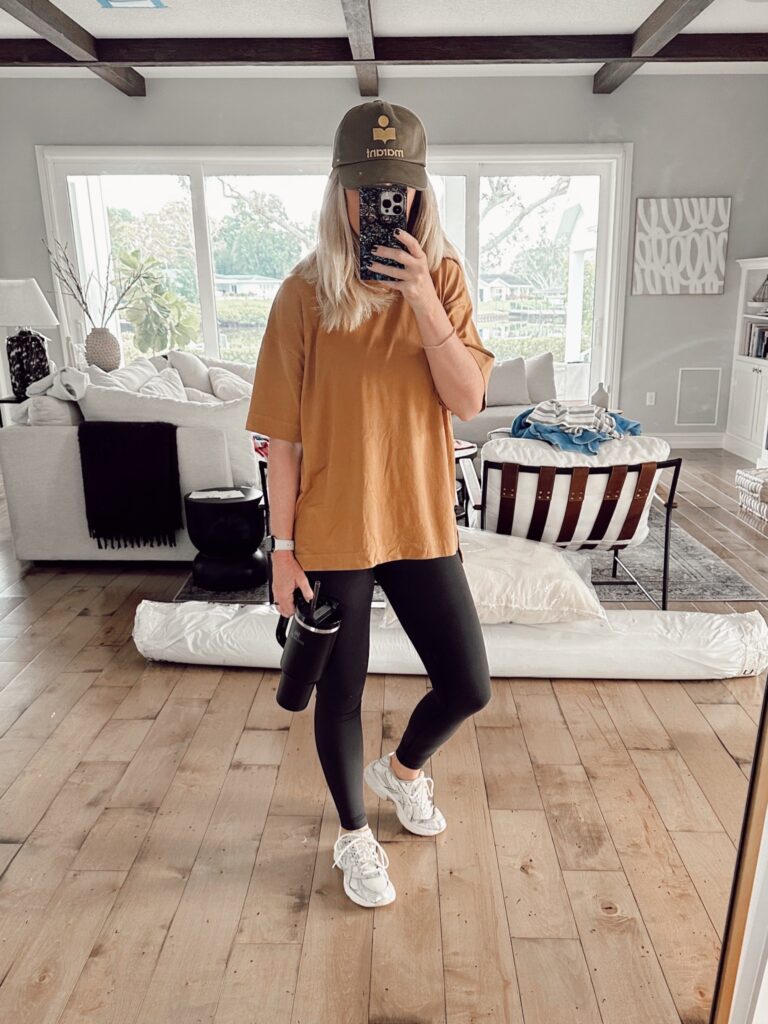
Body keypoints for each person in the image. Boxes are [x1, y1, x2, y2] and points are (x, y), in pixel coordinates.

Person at [245, 99, 495, 909]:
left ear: (419, 193)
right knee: (341, 695)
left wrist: (422, 299)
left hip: (420, 520)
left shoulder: (443, 278)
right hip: (334, 528)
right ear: (340, 192)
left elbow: (467, 400)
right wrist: (282, 550)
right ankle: (353, 835)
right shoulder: (302, 294)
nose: (381, 205)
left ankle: (402, 772)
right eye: (365, 190)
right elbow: (282, 441)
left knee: (468, 684)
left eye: (397, 190)